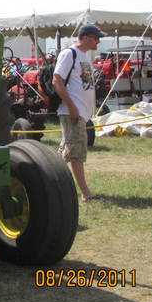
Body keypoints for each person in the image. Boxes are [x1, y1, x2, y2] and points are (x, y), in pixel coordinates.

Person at [52, 24, 107, 202]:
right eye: (96, 37)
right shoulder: (69, 54)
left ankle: (50, 180)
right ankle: (86, 193)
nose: (98, 40)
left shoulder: (84, 56)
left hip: (80, 113)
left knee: (67, 152)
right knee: (76, 153)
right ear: (85, 37)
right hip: (72, 112)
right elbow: (57, 80)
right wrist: (72, 107)